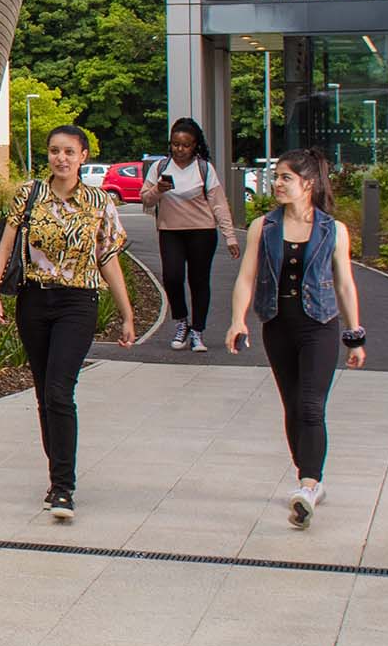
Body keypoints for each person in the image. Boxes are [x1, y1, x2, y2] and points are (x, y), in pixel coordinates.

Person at [0, 125, 137, 520]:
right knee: (43, 393)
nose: (61, 158)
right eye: (55, 151)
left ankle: (63, 487)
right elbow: (5, 245)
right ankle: (58, 474)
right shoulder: (29, 195)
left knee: (58, 391)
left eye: (69, 151)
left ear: (84, 156)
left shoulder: (99, 202)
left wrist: (127, 313)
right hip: (34, 301)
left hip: (77, 302)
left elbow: (108, 259)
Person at [224, 147, 366, 530]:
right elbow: (247, 277)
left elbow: (344, 284)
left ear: (308, 183)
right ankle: (310, 480)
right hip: (277, 324)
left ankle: (307, 485)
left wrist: (355, 336)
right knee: (291, 406)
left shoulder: (332, 230)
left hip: (319, 325)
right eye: (276, 176)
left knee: (310, 405)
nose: (277, 183)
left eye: (286, 177)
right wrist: (238, 319)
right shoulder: (263, 227)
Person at [140, 117, 240, 354]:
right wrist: (158, 190)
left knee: (199, 281)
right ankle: (181, 322)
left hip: (202, 231)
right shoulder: (160, 168)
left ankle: (197, 331)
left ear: (195, 145)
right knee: (172, 277)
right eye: (175, 144)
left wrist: (230, 236)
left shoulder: (204, 168)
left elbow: (218, 205)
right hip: (170, 231)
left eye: (185, 145)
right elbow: (145, 198)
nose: (180, 149)